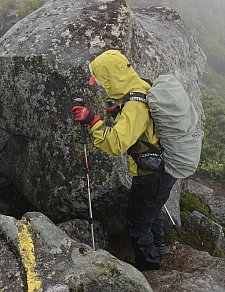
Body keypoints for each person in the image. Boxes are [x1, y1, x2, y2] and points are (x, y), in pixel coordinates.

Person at [71, 49, 175, 271]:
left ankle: (149, 268)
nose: (99, 85)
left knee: (138, 224)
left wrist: (93, 121)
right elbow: (144, 130)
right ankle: (158, 251)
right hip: (162, 169)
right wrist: (117, 113)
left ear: (111, 77)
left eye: (101, 80)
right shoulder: (141, 87)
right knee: (152, 212)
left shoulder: (136, 103)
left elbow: (117, 143)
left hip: (150, 174)